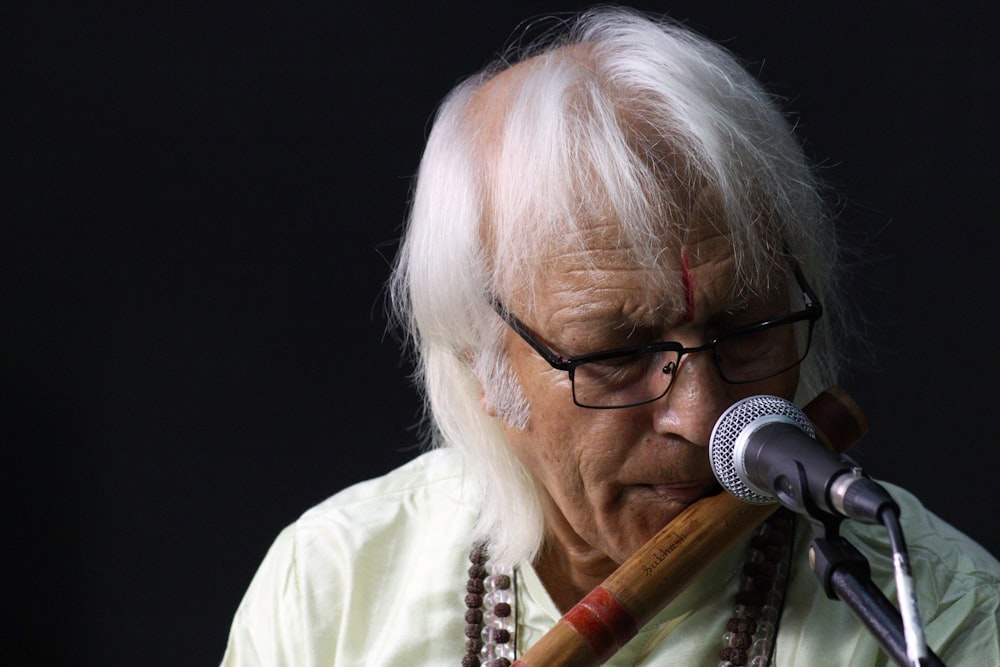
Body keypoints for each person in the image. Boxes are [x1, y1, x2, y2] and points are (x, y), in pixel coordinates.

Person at [220, 7, 1000, 665]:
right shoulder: (329, 595)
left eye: (750, 328)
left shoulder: (947, 615)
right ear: (479, 359)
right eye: (619, 353)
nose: (702, 419)